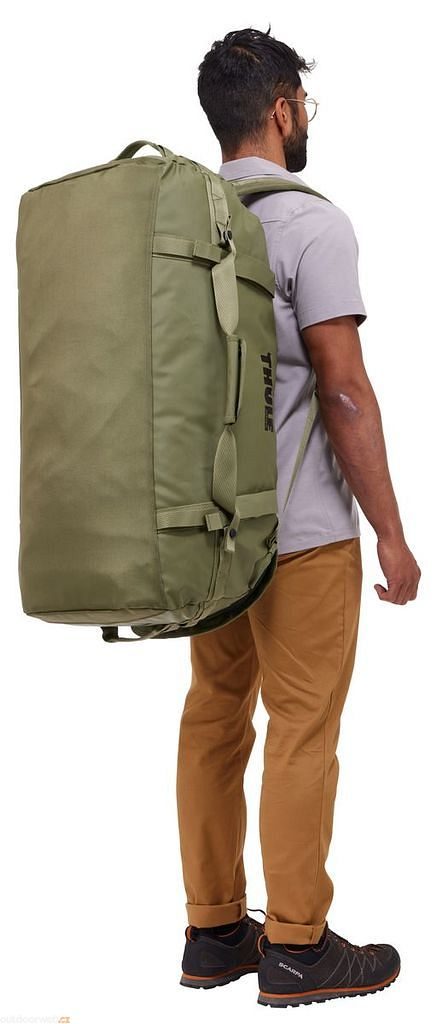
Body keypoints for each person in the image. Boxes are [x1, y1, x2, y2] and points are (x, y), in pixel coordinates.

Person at [177, 25, 421, 1008]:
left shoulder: (178, 225)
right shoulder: (311, 225)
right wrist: (392, 533)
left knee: (212, 717)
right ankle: (295, 945)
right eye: (301, 104)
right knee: (301, 729)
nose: (303, 118)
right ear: (280, 110)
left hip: (204, 535)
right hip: (303, 535)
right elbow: (343, 389)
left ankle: (211, 931)